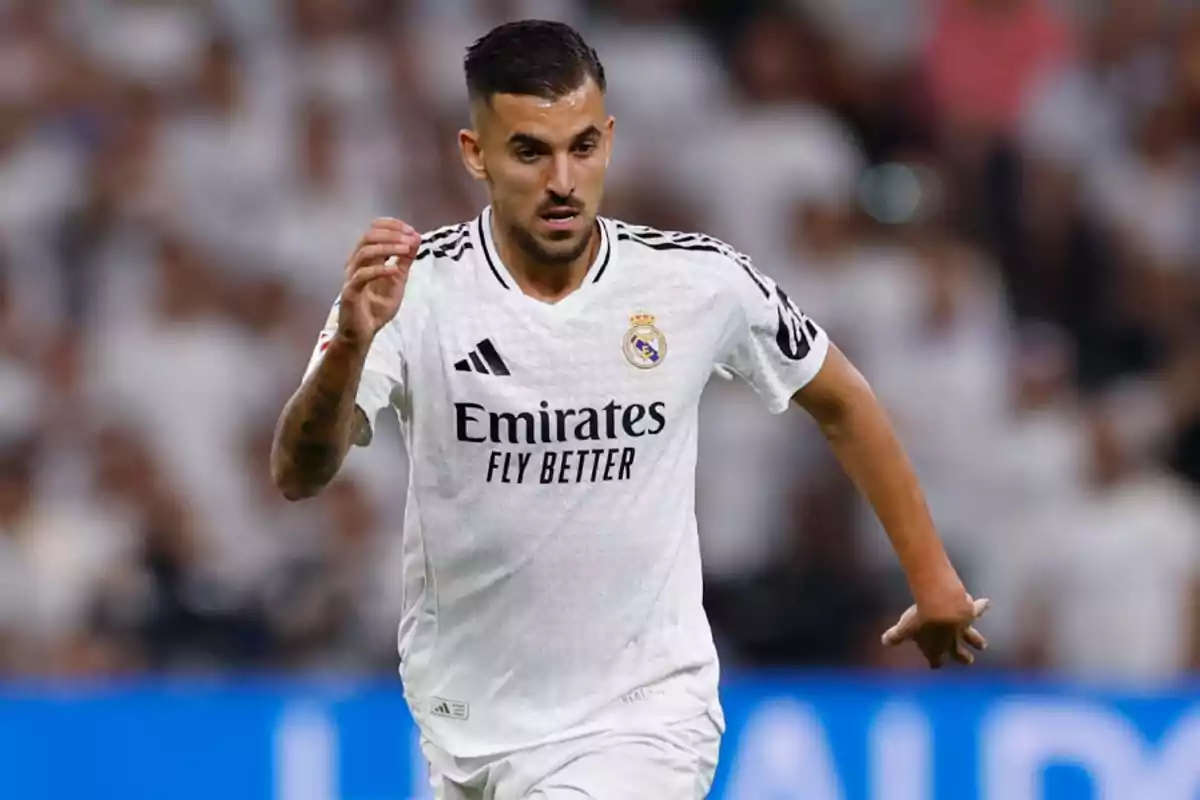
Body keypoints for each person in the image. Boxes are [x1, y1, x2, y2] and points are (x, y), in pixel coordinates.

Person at [270, 19, 989, 799]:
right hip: (471, 727)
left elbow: (842, 398)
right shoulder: (414, 294)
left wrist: (933, 578)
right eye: (530, 152)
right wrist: (347, 346)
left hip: (643, 719)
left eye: (582, 148)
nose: (562, 181)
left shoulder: (698, 282)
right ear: (475, 154)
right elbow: (299, 473)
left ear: (609, 139)